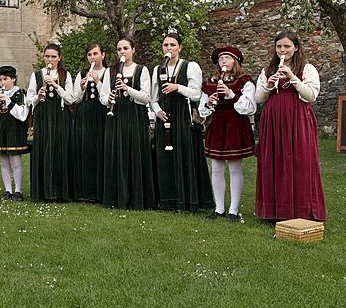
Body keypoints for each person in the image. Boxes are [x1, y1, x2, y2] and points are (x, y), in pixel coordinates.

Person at [255, 32, 325, 221]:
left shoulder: (306, 68)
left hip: (298, 119)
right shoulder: (268, 69)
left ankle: (302, 211)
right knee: (274, 161)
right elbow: (258, 99)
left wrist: (293, 77)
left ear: (296, 48)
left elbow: (310, 96)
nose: (282, 50)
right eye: (279, 47)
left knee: (301, 161)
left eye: (286, 46)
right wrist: (269, 85)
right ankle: (274, 211)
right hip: (274, 121)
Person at [150, 33, 214, 212]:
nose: (168, 48)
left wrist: (177, 87)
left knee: (184, 156)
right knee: (164, 158)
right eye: (165, 45)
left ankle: (188, 201)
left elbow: (196, 93)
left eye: (172, 45)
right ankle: (167, 200)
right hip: (165, 116)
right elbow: (152, 98)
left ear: (179, 48)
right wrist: (157, 111)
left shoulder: (190, 66)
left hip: (183, 116)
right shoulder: (157, 69)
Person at [199, 46, 256, 222]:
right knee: (216, 168)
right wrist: (209, 102)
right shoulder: (210, 82)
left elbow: (250, 107)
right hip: (217, 126)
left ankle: (233, 210)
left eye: (228, 57)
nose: (223, 60)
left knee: (234, 167)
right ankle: (219, 208)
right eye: (221, 58)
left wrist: (231, 94)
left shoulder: (244, 81)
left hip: (235, 125)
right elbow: (202, 110)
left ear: (236, 61)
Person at [99, 38, 155, 209]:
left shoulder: (142, 70)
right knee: (117, 154)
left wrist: (127, 88)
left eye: (125, 48)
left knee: (135, 154)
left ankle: (137, 198)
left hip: (135, 117)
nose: (122, 52)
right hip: (116, 116)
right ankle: (117, 198)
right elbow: (103, 97)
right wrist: (107, 99)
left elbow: (146, 97)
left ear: (133, 49)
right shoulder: (110, 71)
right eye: (119, 49)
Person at [27, 43, 75, 201]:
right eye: (47, 56)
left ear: (59, 58)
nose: (50, 59)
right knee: (43, 150)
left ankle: (60, 192)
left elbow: (70, 99)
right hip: (43, 116)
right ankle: (43, 191)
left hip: (60, 117)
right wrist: (39, 95)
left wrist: (55, 85)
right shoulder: (37, 75)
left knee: (59, 151)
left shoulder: (65, 75)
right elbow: (29, 100)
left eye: (54, 57)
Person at [0, 66, 29, 200]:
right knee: (3, 161)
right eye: (0, 80)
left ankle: (18, 191)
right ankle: (8, 190)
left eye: (5, 79)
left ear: (13, 79)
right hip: (1, 129)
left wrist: (8, 102)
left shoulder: (19, 94)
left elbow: (22, 115)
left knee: (15, 160)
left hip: (14, 129)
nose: (2, 82)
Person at [71, 43, 108, 202]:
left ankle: (101, 191)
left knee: (101, 148)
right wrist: (80, 87)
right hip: (85, 115)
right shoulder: (81, 74)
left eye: (95, 54)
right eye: (90, 55)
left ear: (103, 55)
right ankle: (85, 191)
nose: (93, 57)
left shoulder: (109, 73)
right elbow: (75, 98)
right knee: (85, 149)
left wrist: (98, 81)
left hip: (102, 113)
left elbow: (107, 96)